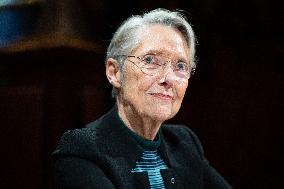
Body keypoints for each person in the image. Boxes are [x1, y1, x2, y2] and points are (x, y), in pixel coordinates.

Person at [52, 8, 232, 189]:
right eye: (150, 60)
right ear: (115, 73)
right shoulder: (81, 150)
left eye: (180, 65)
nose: (168, 79)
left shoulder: (185, 142)